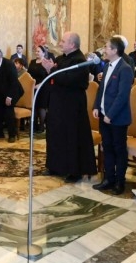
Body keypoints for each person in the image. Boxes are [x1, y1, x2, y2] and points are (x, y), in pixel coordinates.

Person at [41, 32, 97, 183]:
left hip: (72, 106)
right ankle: (55, 166)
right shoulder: (61, 58)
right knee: (55, 134)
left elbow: (68, 80)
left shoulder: (80, 61)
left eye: (63, 41)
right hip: (57, 104)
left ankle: (74, 171)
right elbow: (56, 77)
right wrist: (49, 69)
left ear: (72, 44)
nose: (60, 43)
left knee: (71, 137)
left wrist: (51, 70)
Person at [92, 37, 134, 195]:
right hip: (104, 116)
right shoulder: (107, 65)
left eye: (107, 47)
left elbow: (122, 95)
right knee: (107, 147)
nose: (104, 50)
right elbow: (101, 89)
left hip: (117, 118)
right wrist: (96, 106)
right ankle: (109, 178)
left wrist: (110, 114)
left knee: (119, 150)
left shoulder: (125, 68)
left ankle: (119, 182)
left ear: (115, 50)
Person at [0, 47, 24, 143]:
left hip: (13, 91)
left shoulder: (9, 64)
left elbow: (13, 82)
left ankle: (12, 135)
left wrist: (9, 96)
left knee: (8, 111)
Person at [27, 45, 50, 133]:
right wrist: (31, 84)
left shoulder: (46, 62)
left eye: (38, 51)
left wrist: (39, 85)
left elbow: (47, 77)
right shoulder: (32, 62)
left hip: (43, 87)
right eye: (36, 51)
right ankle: (34, 125)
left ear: (43, 53)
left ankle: (41, 126)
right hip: (33, 87)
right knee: (34, 106)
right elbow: (28, 74)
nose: (36, 53)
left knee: (41, 107)